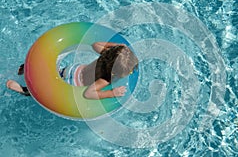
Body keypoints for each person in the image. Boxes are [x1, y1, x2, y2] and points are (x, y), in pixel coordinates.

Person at [6, 42, 139, 100]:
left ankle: (31, 68)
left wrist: (116, 47)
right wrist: (112, 93)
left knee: (53, 72)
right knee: (46, 90)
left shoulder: (104, 54)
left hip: (72, 70)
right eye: (130, 72)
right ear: (115, 73)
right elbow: (88, 93)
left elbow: (95, 44)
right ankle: (24, 90)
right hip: (74, 83)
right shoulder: (105, 79)